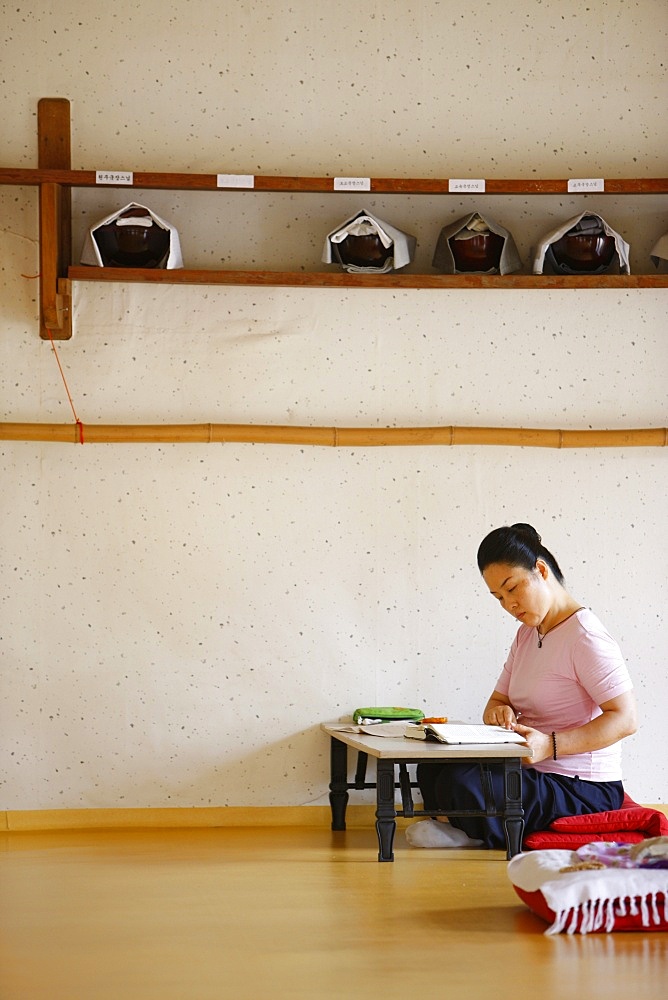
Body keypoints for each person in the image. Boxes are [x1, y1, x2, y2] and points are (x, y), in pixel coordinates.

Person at [406, 522, 637, 849]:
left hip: (581, 787)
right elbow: (496, 701)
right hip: (529, 769)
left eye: (512, 588)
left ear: (540, 571)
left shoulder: (586, 637)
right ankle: (468, 827)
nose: (508, 604)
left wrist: (550, 745)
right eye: (498, 597)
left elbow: (626, 719)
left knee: (461, 782)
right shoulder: (528, 633)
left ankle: (471, 833)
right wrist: (501, 712)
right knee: (434, 767)